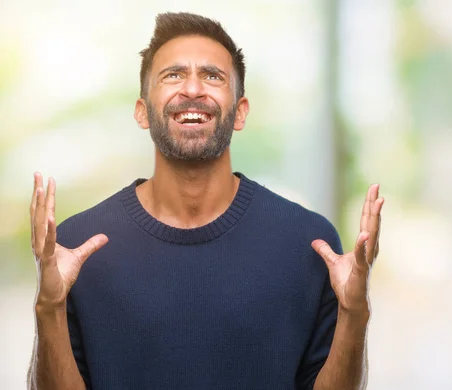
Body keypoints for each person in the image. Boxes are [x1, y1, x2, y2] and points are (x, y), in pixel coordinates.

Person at [27, 12, 384, 390]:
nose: (193, 89)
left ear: (240, 111)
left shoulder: (309, 242)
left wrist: (354, 312)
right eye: (173, 75)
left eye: (213, 76)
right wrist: (48, 307)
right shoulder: (78, 246)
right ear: (142, 111)